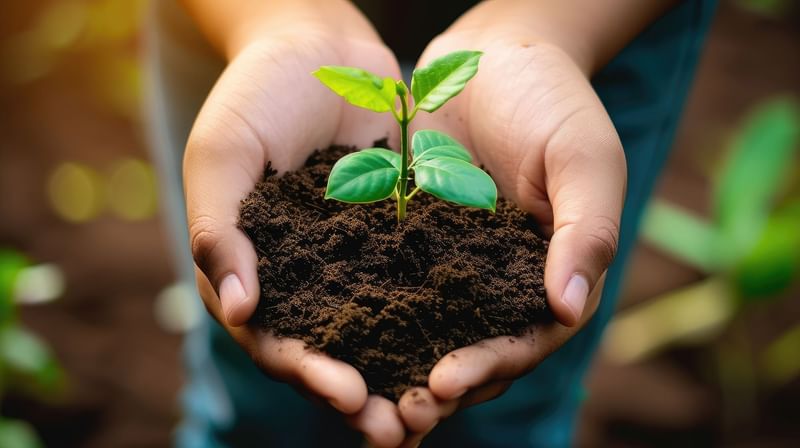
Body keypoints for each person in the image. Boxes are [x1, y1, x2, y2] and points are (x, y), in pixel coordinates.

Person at [144, 1, 716, 446]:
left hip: (602, 23)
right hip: (239, 18)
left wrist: (545, 27)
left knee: (504, 421)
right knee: (254, 408)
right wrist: (280, 21)